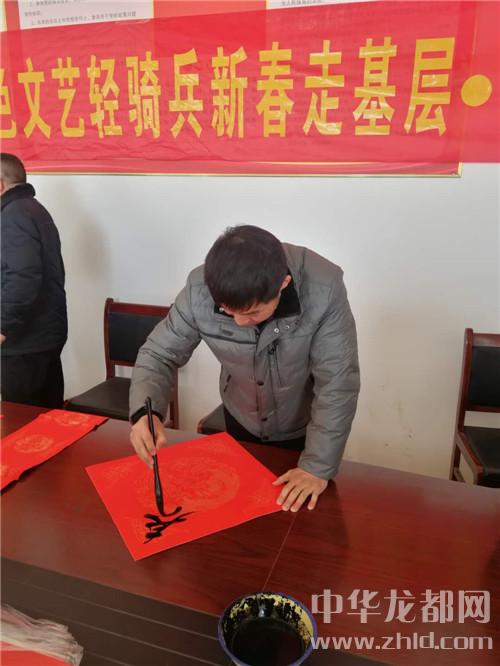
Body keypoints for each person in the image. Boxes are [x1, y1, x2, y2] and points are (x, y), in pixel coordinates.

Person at [130, 225, 359, 512]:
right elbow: (159, 353)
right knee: (244, 508)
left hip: (304, 425)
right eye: (229, 312)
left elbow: (337, 382)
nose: (239, 322)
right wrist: (146, 412)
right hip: (241, 417)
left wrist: (316, 467)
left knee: (300, 519)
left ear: (283, 284)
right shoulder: (199, 290)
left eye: (252, 313)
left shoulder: (324, 288)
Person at [1, 153, 67, 407]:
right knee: (49, 418)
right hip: (44, 335)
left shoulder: (12, 216)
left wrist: (3, 326)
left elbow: (22, 276)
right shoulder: (35, 210)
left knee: (22, 420)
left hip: (25, 342)